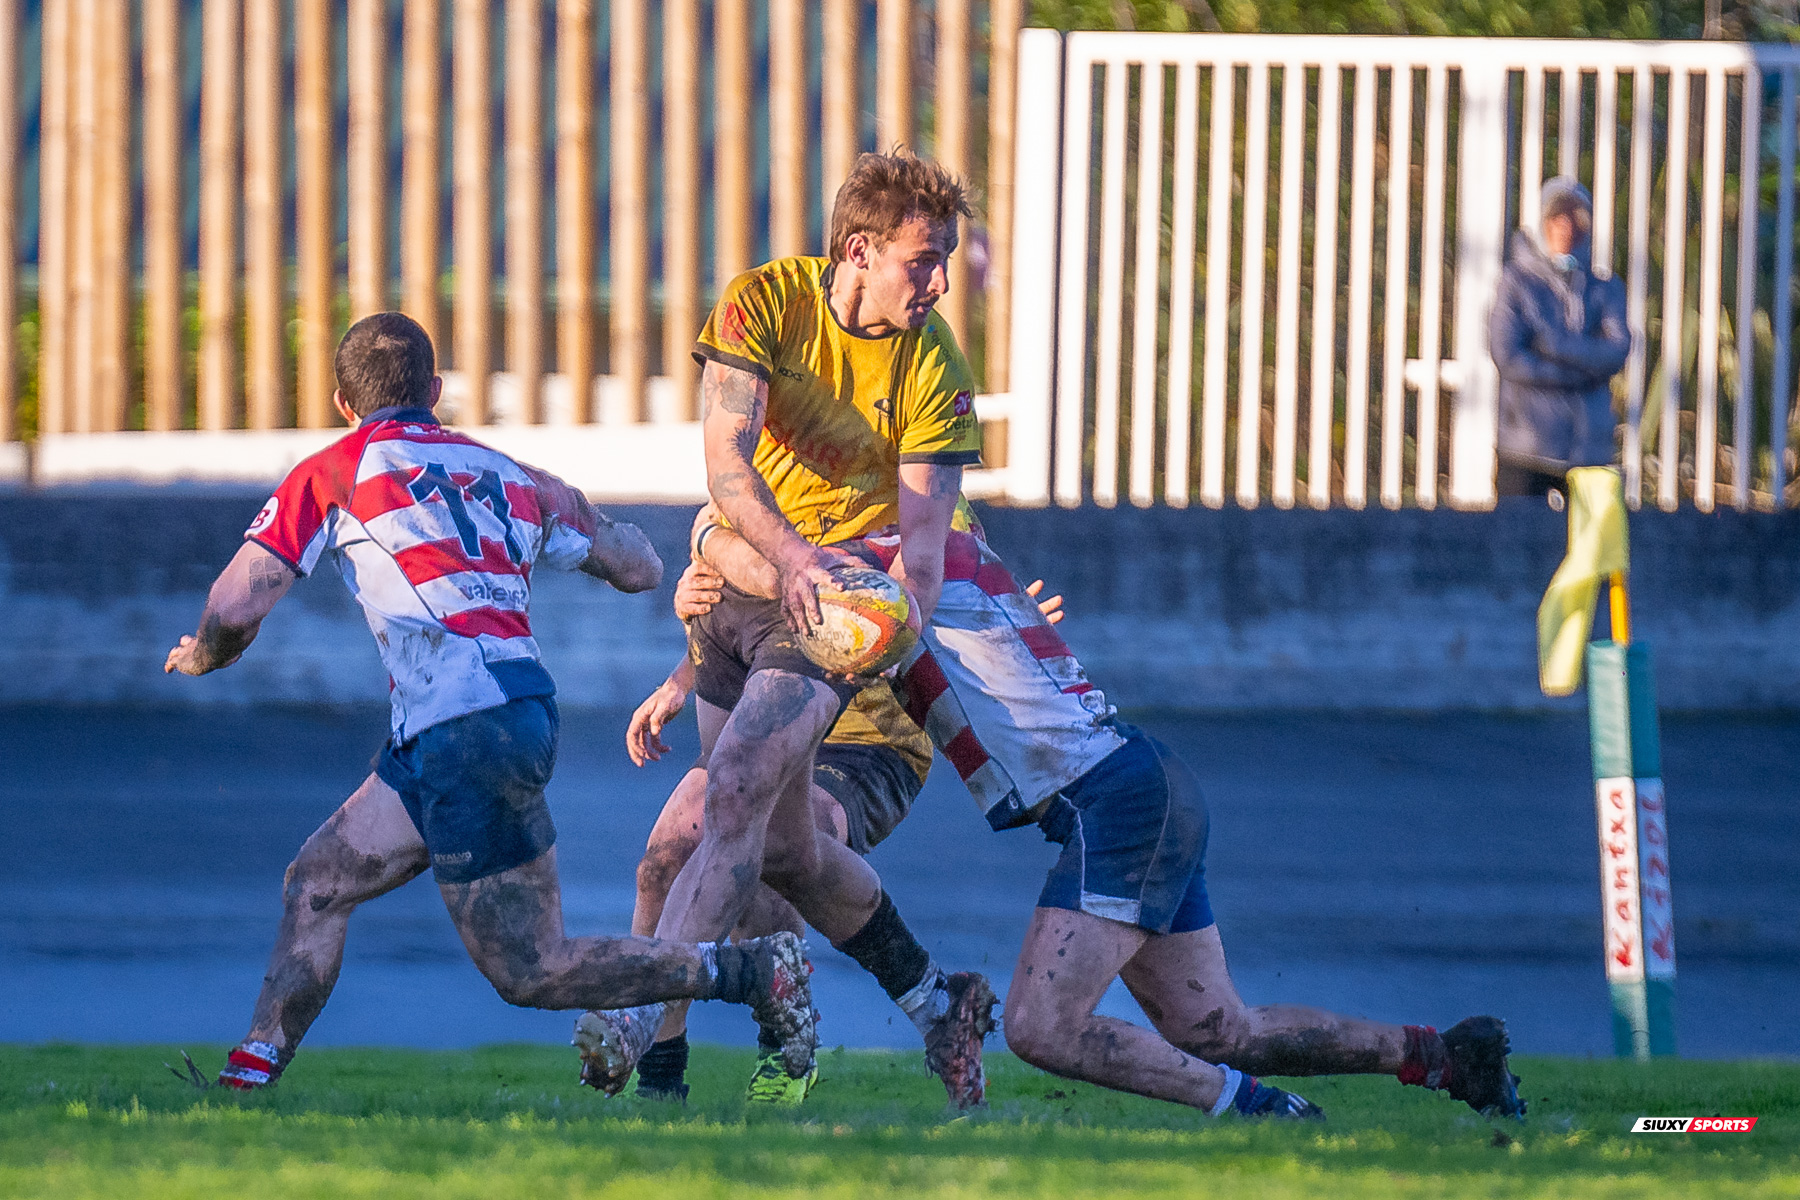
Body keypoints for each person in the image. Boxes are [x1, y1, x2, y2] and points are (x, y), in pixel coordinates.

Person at [667, 514, 1530, 1122]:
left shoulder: (889, 574)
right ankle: (1444, 1056)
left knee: (1045, 1028)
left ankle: (1260, 1113)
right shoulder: (932, 564)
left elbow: (785, 587)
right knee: (1218, 1027)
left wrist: (709, 560)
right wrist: (697, 629)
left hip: (1117, 800)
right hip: (1147, 787)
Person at [162, 313, 815, 1090]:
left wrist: (204, 655)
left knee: (534, 969)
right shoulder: (508, 473)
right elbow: (637, 564)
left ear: (344, 403)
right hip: (486, 717)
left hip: (464, 729)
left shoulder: (334, 471)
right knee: (319, 881)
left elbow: (237, 605)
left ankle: (749, 971)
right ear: (434, 393)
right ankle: (252, 1070)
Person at [576, 150, 998, 1111]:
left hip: (843, 628)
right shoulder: (764, 305)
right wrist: (720, 623)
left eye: (944, 263)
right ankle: (939, 1006)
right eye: (922, 261)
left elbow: (921, 564)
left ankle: (647, 1025)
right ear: (860, 248)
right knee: (783, 854)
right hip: (755, 602)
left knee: (723, 809)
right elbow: (726, 471)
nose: (938, 284)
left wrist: (847, 609)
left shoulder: (935, 367)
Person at [610, 549, 1063, 1104]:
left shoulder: (909, 494)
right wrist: (683, 674)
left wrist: (997, 633)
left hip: (869, 737)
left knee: (779, 853)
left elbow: (939, 585)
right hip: (766, 708)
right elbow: (738, 604)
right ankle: (657, 1082)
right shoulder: (760, 493)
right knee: (667, 853)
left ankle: (786, 1048)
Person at [1491, 176, 1631, 502]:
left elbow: (1617, 349)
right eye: (1556, 217)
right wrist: (1580, 372)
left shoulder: (1604, 288)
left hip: (1589, 450)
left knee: (1592, 549)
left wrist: (1553, 346)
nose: (1566, 226)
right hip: (1525, 448)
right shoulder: (1516, 283)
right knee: (1519, 545)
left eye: (1576, 217)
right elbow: (1508, 355)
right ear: (1542, 223)